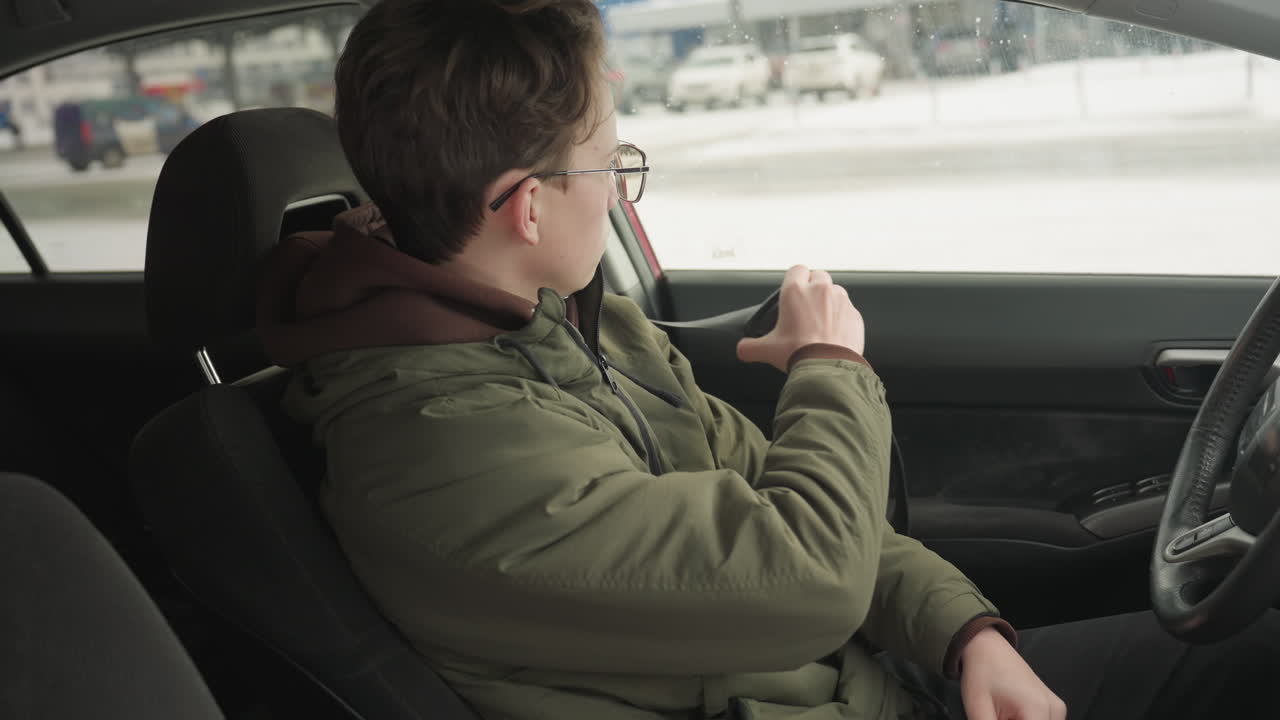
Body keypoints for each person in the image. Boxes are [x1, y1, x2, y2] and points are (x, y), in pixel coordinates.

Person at [256, 2, 1280, 718]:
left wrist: (966, 635)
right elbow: (809, 572)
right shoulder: (439, 452)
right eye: (611, 164)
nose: (617, 187)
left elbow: (785, 504)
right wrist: (830, 367)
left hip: (880, 686)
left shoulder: (571, 325)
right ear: (529, 207)